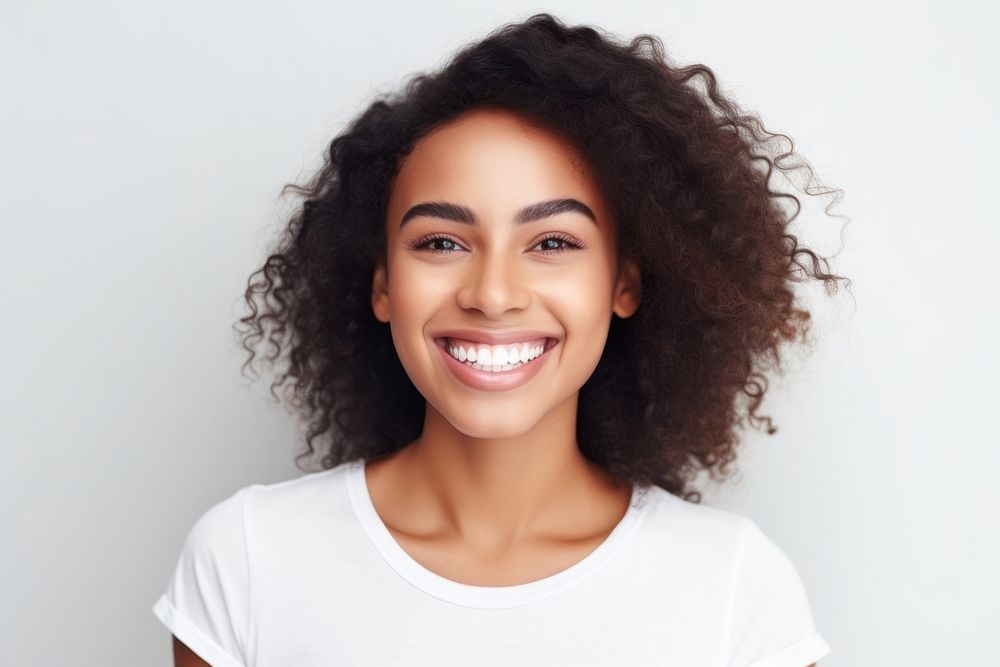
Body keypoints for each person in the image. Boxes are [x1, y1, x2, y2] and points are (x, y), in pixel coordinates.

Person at [153, 12, 847, 666]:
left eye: (551, 241)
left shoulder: (734, 593)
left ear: (624, 284)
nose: (491, 293)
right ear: (383, 284)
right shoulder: (249, 561)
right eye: (442, 240)